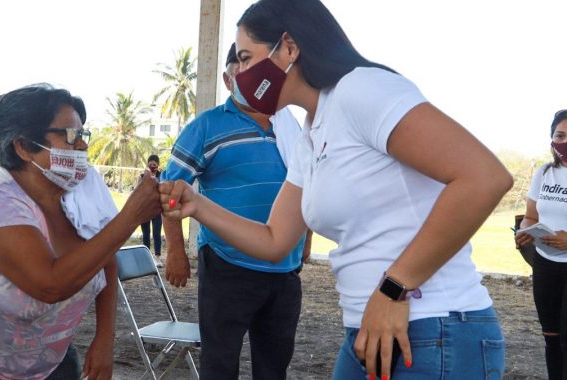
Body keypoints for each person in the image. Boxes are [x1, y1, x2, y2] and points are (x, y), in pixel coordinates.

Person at [159, 0, 514, 378]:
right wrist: (197, 205)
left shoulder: (361, 89)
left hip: (432, 326)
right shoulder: (309, 133)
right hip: (368, 328)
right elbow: (275, 239)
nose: (240, 73)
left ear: (290, 48)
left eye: (246, 58)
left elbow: (484, 177)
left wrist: (394, 288)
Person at [0, 83, 162, 380]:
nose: (82, 145)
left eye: (83, 134)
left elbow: (105, 259)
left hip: (44, 358)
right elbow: (49, 285)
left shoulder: (83, 185)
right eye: (71, 135)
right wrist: (130, 217)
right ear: (24, 147)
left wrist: (105, 339)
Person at [161, 42, 308, 380]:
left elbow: (306, 186)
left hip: (283, 271)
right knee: (220, 364)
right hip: (228, 267)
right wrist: (175, 251)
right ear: (228, 81)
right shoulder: (206, 126)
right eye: (239, 68)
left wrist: (305, 242)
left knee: (274, 367)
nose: (249, 76)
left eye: (255, 66)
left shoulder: (290, 126)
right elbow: (170, 191)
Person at [515, 109, 567, 380]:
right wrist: (525, 231)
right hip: (545, 264)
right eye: (560, 135)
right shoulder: (544, 173)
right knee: (552, 338)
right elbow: (531, 216)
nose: (565, 142)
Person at [140, 154, 164, 266]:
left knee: (156, 233)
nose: (153, 166)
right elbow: (138, 191)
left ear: (158, 165)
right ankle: (146, 257)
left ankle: (157, 257)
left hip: (156, 210)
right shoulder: (142, 176)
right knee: (146, 233)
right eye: (150, 164)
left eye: (155, 164)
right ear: (147, 165)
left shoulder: (162, 176)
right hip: (145, 209)